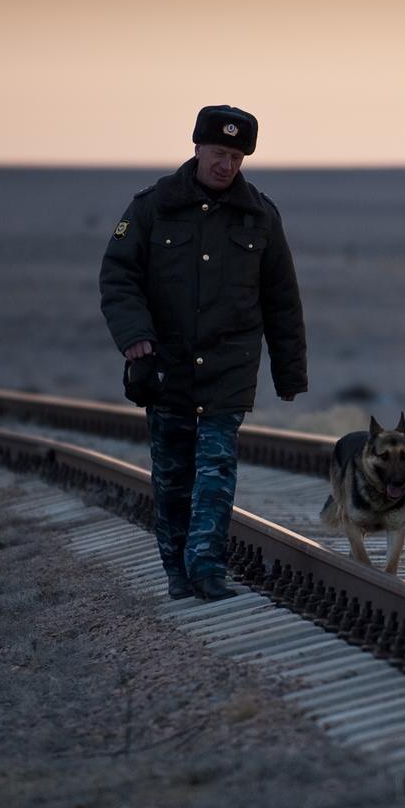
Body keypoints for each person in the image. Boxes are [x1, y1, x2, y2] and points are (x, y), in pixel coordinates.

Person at [99, 105, 308, 602]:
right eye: (219, 153)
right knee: (172, 477)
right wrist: (135, 339)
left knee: (216, 469)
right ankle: (176, 569)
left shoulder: (260, 215)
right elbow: (118, 276)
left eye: (236, 156)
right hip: (164, 365)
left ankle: (208, 565)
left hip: (228, 368)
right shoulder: (153, 207)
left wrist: (289, 372)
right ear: (197, 148)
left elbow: (282, 298)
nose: (226, 165)